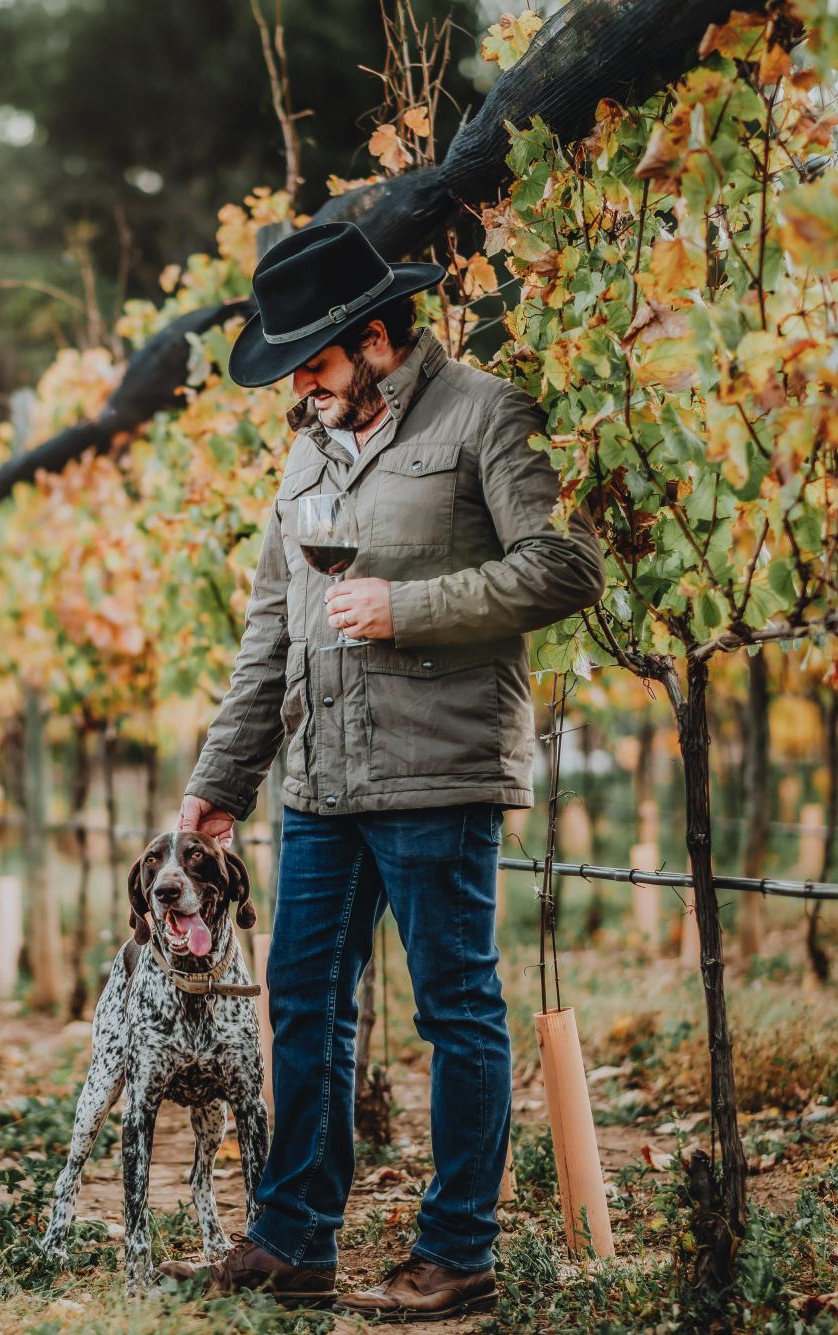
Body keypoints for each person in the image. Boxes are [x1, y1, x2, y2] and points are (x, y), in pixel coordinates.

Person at [165, 221, 606, 1320]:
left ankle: (456, 1253)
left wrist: (405, 610)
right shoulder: (309, 448)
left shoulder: (482, 412)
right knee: (303, 1003)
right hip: (318, 780)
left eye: (312, 363)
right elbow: (271, 630)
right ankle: (293, 1239)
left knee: (453, 1007)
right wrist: (221, 784)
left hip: (436, 773)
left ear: (371, 337)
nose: (303, 388)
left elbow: (562, 567)